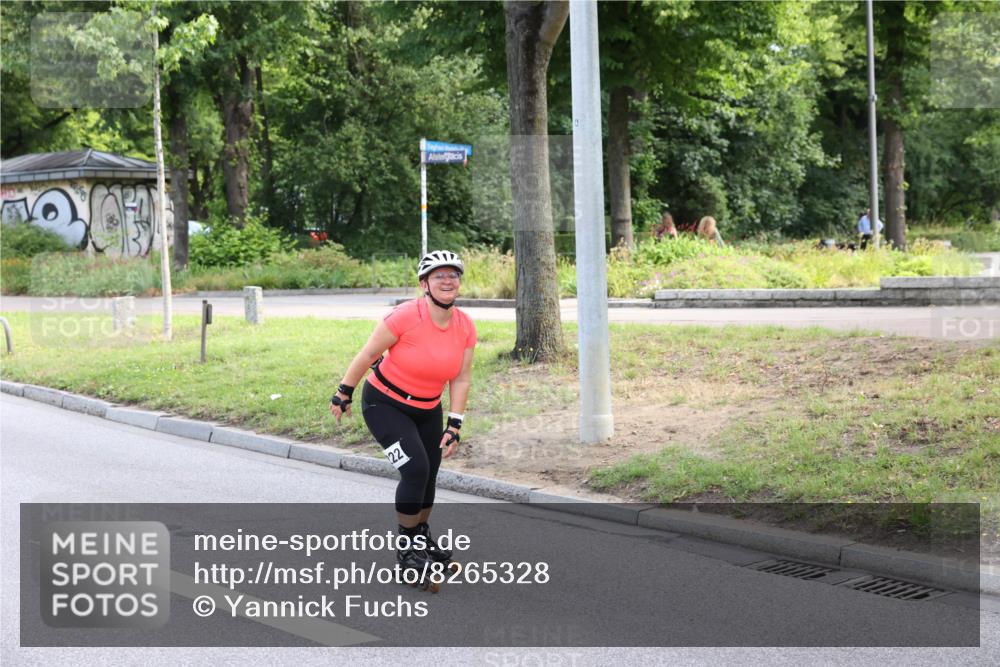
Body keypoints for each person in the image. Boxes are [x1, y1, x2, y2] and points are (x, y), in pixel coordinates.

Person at [329, 249, 476, 586]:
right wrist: (343, 391)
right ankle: (407, 551)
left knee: (430, 473)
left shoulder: (465, 326)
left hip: (428, 408)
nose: (447, 280)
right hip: (384, 404)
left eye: (453, 274)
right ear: (425, 283)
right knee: (415, 469)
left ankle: (420, 537)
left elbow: (462, 377)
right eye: (439, 275)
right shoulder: (406, 316)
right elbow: (369, 354)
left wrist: (455, 423)